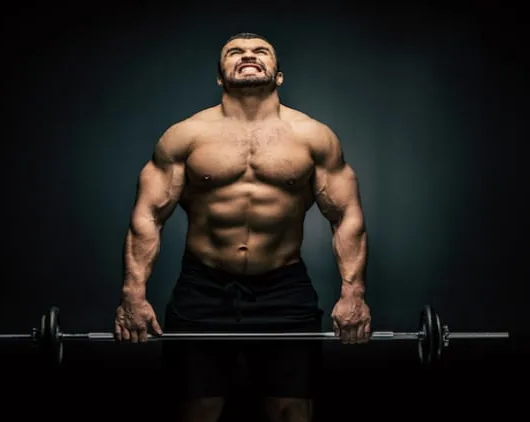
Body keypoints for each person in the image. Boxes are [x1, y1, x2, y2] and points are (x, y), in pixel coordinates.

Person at [113, 32, 371, 422]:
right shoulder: (185, 136)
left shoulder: (313, 137)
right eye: (236, 52)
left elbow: (346, 215)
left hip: (284, 288)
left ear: (278, 75)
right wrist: (133, 296)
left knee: (292, 411)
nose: (248, 56)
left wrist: (354, 294)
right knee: (196, 411)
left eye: (260, 51)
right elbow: (147, 216)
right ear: (220, 76)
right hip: (203, 286)